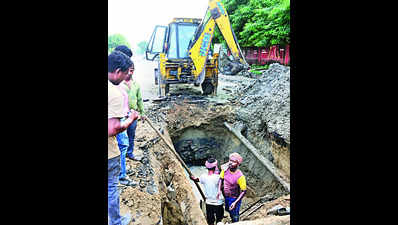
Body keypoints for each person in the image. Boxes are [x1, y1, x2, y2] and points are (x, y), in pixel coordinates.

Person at [108, 50, 139, 225]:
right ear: (118, 71)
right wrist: (130, 119)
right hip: (109, 152)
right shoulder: (114, 93)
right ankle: (116, 222)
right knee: (111, 187)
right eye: (126, 73)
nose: (127, 77)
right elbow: (112, 129)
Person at [114, 45, 147, 161]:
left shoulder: (135, 84)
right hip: (121, 115)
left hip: (132, 114)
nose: (129, 71)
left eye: (131, 70)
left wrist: (142, 112)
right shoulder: (117, 83)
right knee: (120, 140)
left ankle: (129, 153)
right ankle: (120, 161)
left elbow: (139, 100)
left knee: (130, 135)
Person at [190, 158, 224, 225]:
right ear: (215, 167)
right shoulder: (218, 177)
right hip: (218, 202)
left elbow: (196, 179)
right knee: (219, 220)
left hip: (209, 202)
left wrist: (192, 178)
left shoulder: (203, 177)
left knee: (210, 221)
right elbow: (223, 186)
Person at [217, 152, 247, 223]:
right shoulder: (225, 170)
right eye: (230, 160)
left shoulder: (240, 176)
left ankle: (235, 222)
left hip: (234, 198)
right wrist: (219, 190)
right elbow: (221, 179)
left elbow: (244, 191)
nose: (230, 163)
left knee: (235, 215)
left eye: (233, 162)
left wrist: (235, 202)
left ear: (238, 164)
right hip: (226, 196)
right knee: (228, 209)